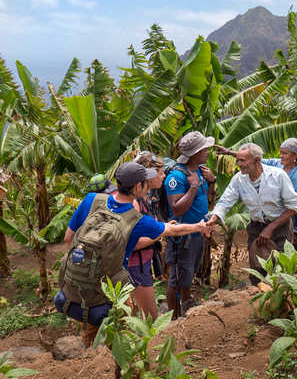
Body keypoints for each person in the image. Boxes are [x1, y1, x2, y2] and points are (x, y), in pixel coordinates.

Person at [62, 162, 212, 346]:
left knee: (92, 337)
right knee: (121, 339)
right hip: (111, 294)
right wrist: (199, 226)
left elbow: (68, 238)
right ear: (137, 187)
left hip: (77, 287)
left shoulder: (92, 199)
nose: (146, 187)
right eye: (144, 183)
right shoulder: (136, 220)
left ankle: (90, 356)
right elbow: (172, 230)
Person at [206, 143, 297, 285]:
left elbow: (293, 207)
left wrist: (270, 228)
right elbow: (225, 201)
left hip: (280, 227)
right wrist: (214, 218)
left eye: (242, 161)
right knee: (258, 271)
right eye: (238, 160)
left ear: (257, 161)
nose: (239, 164)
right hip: (256, 228)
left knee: (282, 270)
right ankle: (260, 299)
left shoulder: (277, 176)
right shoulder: (239, 179)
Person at [216, 138, 297, 250]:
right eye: (280, 152)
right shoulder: (278, 165)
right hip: (264, 224)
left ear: (295, 156)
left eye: (285, 153)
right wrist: (229, 152)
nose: (281, 156)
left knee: (286, 262)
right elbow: (255, 159)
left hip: (289, 226)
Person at [164, 131, 216, 317]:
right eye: (204, 149)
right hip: (182, 236)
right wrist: (193, 186)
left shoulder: (200, 171)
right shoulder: (177, 177)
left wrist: (211, 182)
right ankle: (174, 318)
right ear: (194, 153)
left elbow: (206, 199)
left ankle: (185, 306)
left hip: (198, 233)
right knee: (176, 279)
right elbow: (177, 209)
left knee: (187, 276)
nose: (208, 151)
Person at [126, 151, 166, 320]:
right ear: (148, 176)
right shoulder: (135, 203)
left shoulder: (148, 198)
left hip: (143, 263)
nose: (164, 176)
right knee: (150, 319)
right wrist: (160, 232)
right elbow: (133, 243)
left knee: (143, 316)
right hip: (135, 266)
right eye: (161, 172)